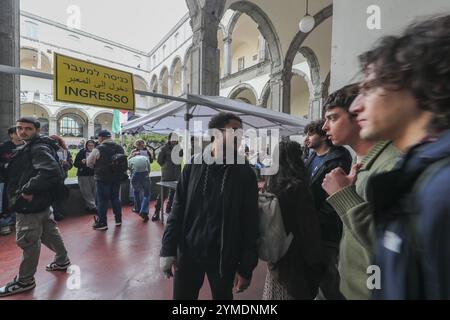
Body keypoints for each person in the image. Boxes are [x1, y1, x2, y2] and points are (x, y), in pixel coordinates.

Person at [351, 15, 450, 299]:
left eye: (369, 87)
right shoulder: (415, 173)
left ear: (416, 85)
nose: (357, 106)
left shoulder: (442, 187)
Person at [160, 112, 259, 300]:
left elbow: (250, 222)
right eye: (235, 131)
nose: (240, 136)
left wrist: (246, 267)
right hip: (188, 255)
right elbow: (177, 210)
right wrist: (168, 249)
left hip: (224, 258)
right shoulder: (192, 166)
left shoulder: (245, 173)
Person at [321, 84, 401, 299]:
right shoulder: (363, 162)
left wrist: (343, 196)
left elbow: (392, 244)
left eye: (333, 118)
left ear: (358, 116)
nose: (325, 127)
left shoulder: (391, 165)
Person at [0, 117, 70, 297]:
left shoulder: (37, 147)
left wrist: (26, 190)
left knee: (28, 240)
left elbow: (50, 170)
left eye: (28, 129)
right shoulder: (37, 145)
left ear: (37, 130)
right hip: (42, 202)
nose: (22, 132)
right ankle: (62, 260)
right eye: (20, 128)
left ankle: (25, 280)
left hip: (30, 204)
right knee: (49, 231)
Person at [262, 140, 325, 300]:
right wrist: (317, 263)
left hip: (276, 252)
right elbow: (309, 230)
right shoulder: (298, 188)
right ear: (296, 159)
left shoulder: (270, 184)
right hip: (296, 255)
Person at [304, 119, 352, 300]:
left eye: (310, 134)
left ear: (323, 136)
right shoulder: (311, 156)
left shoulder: (339, 157)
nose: (307, 138)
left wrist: (316, 219)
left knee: (328, 277)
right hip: (312, 226)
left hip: (327, 229)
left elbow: (333, 198)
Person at [87, 130, 126, 231]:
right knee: (115, 198)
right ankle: (118, 220)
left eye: (98, 137)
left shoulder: (99, 148)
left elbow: (89, 163)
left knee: (102, 201)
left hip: (103, 178)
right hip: (117, 178)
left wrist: (95, 165)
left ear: (101, 138)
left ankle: (102, 223)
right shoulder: (120, 147)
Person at [153, 133, 182, 222]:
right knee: (163, 194)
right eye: (172, 138)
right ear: (169, 139)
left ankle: (168, 209)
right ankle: (157, 211)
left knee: (173, 193)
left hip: (177, 174)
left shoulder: (179, 148)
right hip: (167, 174)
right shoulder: (164, 148)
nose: (174, 140)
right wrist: (166, 167)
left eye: (175, 139)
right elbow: (159, 161)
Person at [0, 126, 24, 236]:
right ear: (11, 135)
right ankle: (5, 223)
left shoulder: (26, 146)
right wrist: (5, 165)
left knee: (21, 200)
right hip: (6, 179)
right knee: (6, 201)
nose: (20, 133)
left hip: (23, 179)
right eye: (17, 132)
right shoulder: (4, 147)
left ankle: (19, 222)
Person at [49, 135, 73, 221]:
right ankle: (52, 214)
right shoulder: (46, 150)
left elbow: (70, 164)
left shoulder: (65, 151)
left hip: (61, 177)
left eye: (56, 141)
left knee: (59, 196)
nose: (55, 143)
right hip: (49, 177)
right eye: (52, 141)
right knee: (50, 196)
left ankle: (57, 213)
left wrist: (65, 164)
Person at [73, 139, 97, 213]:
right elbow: (75, 164)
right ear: (86, 146)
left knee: (94, 192)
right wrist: (82, 162)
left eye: (92, 145)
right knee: (86, 192)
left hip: (93, 174)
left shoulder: (96, 153)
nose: (90, 147)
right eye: (89, 145)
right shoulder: (81, 152)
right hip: (83, 175)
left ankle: (89, 207)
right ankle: (93, 207)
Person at [128, 139, 154, 207]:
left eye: (141, 144)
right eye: (139, 144)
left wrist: (150, 155)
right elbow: (129, 160)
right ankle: (133, 201)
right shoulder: (134, 151)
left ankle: (139, 205)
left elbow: (151, 161)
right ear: (136, 145)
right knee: (134, 189)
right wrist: (133, 155)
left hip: (144, 170)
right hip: (135, 170)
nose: (140, 145)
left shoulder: (147, 151)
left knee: (141, 190)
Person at [128, 154, 151, 222]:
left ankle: (137, 208)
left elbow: (129, 169)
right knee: (147, 194)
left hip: (135, 175)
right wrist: (147, 175)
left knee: (136, 192)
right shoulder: (145, 157)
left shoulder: (130, 159)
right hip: (145, 174)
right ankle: (144, 211)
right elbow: (149, 168)